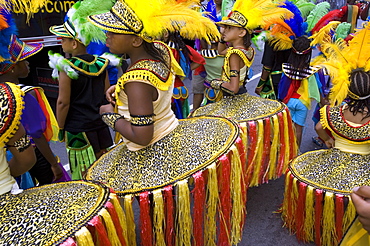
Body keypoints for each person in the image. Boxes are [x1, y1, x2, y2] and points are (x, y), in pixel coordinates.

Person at [85, 0, 248, 244]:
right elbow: (152, 91)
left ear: (137, 40)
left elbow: (142, 135)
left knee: (159, 214)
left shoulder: (136, 79)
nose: (106, 37)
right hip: (172, 137)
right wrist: (120, 90)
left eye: (112, 32)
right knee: (174, 206)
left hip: (149, 152)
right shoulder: (160, 52)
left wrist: (109, 115)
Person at [280, 22, 370, 246]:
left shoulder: (334, 112)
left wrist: (330, 141)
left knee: (327, 190)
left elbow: (320, 128)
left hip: (335, 155)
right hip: (363, 166)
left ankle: (323, 223)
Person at [192, 0, 298, 187]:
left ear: (241, 32)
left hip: (230, 98)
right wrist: (222, 37)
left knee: (222, 138)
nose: (223, 31)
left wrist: (215, 83)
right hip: (242, 95)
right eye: (223, 27)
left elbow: (232, 86)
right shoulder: (246, 50)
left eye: (228, 28)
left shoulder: (234, 54)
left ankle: (227, 175)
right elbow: (221, 50)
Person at [48, 0, 117, 180]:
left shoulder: (67, 67)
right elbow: (105, 94)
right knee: (102, 167)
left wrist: (61, 127)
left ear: (74, 44)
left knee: (84, 173)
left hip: (77, 128)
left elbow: (63, 102)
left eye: (64, 40)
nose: (61, 43)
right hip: (99, 124)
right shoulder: (101, 63)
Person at [0, 9, 67, 185]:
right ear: (12, 68)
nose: (29, 63)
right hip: (34, 157)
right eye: (24, 59)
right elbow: (37, 135)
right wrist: (53, 163)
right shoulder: (24, 94)